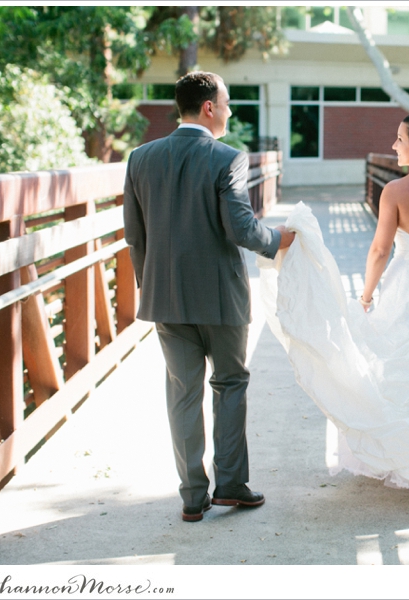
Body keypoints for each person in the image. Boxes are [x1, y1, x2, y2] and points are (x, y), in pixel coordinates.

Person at [259, 101, 409, 506]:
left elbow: (379, 250)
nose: (394, 146)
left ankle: (407, 453)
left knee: (398, 366)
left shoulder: (396, 191)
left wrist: (366, 297)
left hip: (405, 287)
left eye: (400, 140)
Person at [123, 71, 294, 522]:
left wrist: (151, 286)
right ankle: (232, 485)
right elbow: (241, 228)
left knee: (182, 393)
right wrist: (277, 239)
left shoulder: (139, 158)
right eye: (228, 102)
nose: (231, 110)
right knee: (230, 384)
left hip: (166, 299)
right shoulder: (227, 159)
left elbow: (134, 236)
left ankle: (193, 497)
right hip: (221, 298)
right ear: (209, 108)